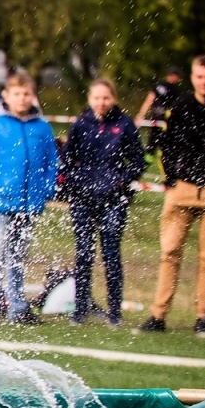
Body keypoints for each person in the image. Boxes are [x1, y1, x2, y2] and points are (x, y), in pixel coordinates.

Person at [138, 54, 205, 336]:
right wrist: (171, 178)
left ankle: (203, 317)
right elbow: (165, 144)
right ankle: (158, 316)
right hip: (181, 189)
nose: (204, 82)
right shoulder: (180, 106)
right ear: (193, 77)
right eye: (199, 76)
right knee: (169, 252)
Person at [0, 72, 57, 325]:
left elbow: (52, 163)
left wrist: (46, 190)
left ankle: (17, 306)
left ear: (33, 96)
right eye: (17, 94)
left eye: (27, 93)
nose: (22, 98)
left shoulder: (42, 127)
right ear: (6, 96)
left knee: (17, 257)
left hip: (27, 204)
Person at [59, 79, 145, 326]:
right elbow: (67, 160)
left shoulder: (125, 125)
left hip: (113, 201)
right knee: (84, 254)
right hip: (83, 199)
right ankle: (80, 309)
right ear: (89, 99)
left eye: (106, 98)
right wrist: (74, 182)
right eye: (97, 98)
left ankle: (115, 312)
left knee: (111, 255)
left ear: (114, 99)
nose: (101, 102)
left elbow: (138, 161)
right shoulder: (80, 124)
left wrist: (122, 181)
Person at [136, 65, 183, 151]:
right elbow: (150, 100)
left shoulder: (174, 90)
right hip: (162, 118)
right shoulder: (164, 87)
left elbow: (149, 100)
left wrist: (141, 115)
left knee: (156, 144)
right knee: (154, 144)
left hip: (164, 119)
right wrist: (141, 115)